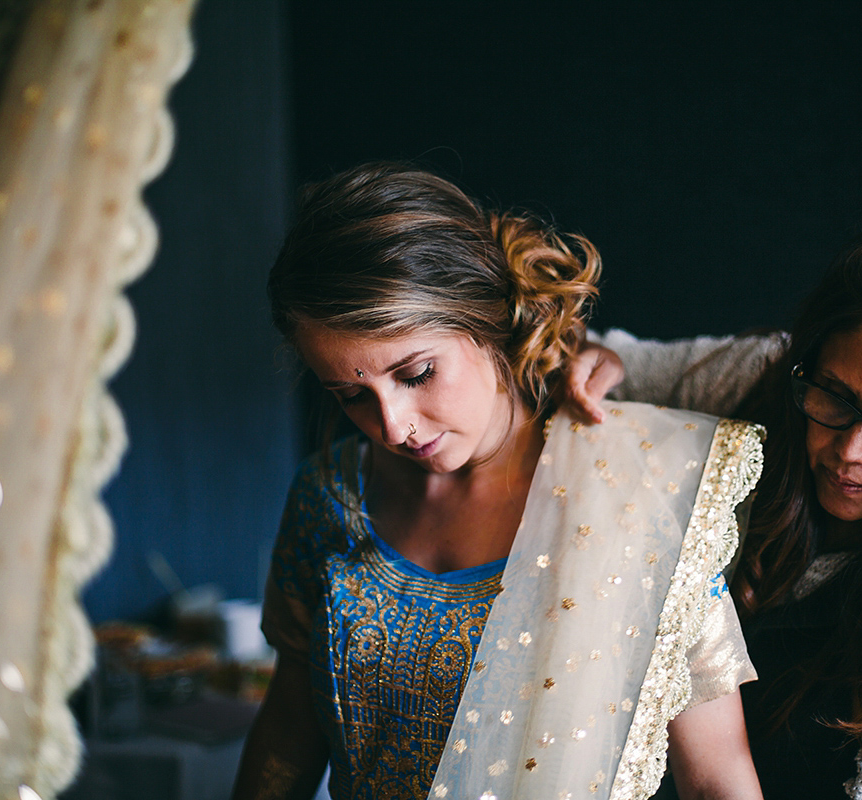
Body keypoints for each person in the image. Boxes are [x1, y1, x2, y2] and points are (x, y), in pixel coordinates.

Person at [231, 163, 768, 800]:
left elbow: (716, 780)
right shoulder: (330, 497)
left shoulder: (631, 499)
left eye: (417, 373)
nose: (393, 426)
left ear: (489, 319)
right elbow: (288, 737)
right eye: (351, 395)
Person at [568, 224, 862, 799]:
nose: (849, 452)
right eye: (836, 397)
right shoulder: (772, 384)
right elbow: (612, 361)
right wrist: (601, 365)